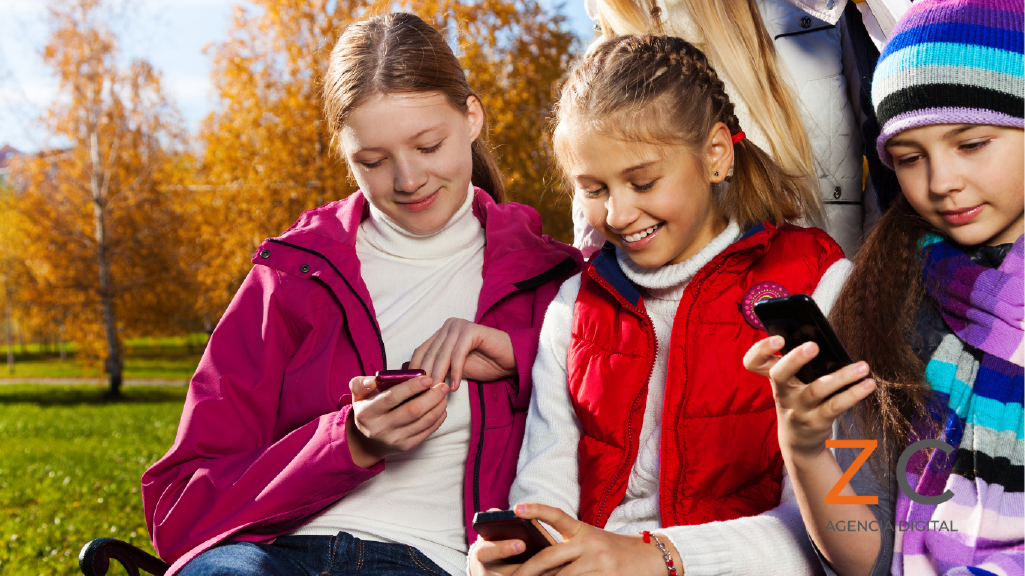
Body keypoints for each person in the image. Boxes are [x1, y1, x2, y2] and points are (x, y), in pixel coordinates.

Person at [141, 12, 581, 576]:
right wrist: (349, 443)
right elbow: (178, 505)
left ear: (472, 116)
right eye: (372, 161)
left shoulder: (551, 281)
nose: (407, 180)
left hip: (434, 562)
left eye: (428, 145)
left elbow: (627, 426)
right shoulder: (291, 277)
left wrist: (523, 358)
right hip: (266, 558)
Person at [470, 34, 853, 575]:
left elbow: (836, 539)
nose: (620, 213)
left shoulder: (816, 283)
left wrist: (657, 559)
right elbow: (543, 487)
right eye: (594, 189)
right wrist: (516, 555)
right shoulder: (574, 303)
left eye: (643, 181)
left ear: (716, 154)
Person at [744, 0, 1025, 574]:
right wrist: (805, 444)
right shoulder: (893, 302)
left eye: (971, 144)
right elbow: (864, 556)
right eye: (909, 158)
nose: (942, 182)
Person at [576, 0, 880, 258]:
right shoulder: (612, 46)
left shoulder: (820, 8)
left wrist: (868, 278)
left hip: (840, 287)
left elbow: (892, 150)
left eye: (643, 182)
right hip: (684, 312)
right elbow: (599, 244)